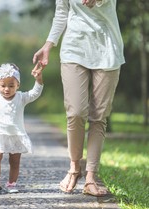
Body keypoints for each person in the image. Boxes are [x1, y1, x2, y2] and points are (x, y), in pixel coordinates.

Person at [33, 0, 125, 196]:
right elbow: (61, 13)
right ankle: (74, 167)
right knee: (75, 112)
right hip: (74, 49)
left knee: (99, 116)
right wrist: (48, 45)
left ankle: (91, 178)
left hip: (107, 48)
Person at [0, 62, 44, 193]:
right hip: (0, 134)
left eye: (11, 86)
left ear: (18, 85)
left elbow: (34, 93)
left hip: (16, 135)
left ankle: (12, 183)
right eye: (3, 85)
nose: (7, 89)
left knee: (15, 161)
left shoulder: (21, 97)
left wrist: (38, 80)